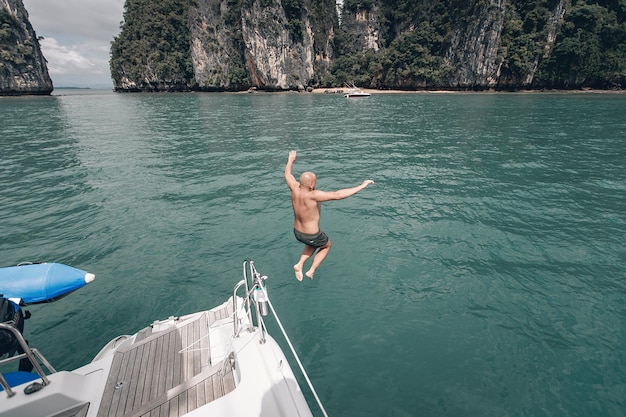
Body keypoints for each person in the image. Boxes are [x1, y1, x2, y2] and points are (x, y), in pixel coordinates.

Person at [285, 150, 374, 281]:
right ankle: (311, 271)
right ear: (311, 185)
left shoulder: (294, 187)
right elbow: (337, 195)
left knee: (313, 244)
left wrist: (290, 160)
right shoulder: (313, 195)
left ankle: (300, 264)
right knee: (326, 245)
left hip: (297, 232)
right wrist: (361, 186)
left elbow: (287, 173)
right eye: (314, 182)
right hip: (311, 234)